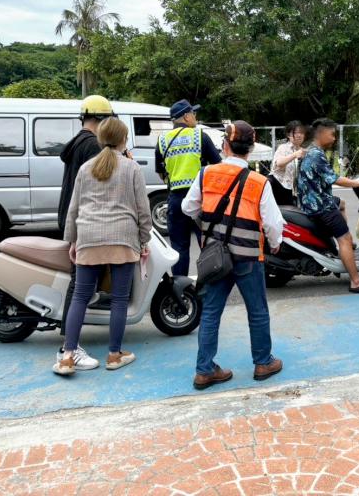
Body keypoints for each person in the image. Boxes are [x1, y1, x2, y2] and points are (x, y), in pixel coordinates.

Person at [181, 121, 285, 389]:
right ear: (250, 149)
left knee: (211, 311)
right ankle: (263, 362)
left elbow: (188, 207)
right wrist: (275, 243)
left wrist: (207, 224)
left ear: (225, 146)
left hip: (216, 257)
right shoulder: (259, 182)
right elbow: (273, 224)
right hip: (249, 256)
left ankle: (204, 370)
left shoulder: (206, 174)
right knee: (257, 311)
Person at [55, 117, 153, 376]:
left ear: (100, 139)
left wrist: (73, 241)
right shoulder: (131, 168)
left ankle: (67, 356)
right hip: (122, 238)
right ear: (124, 140)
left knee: (80, 296)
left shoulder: (85, 168)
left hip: (88, 237)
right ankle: (114, 354)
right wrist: (145, 240)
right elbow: (143, 210)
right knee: (120, 299)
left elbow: (74, 208)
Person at [56, 94, 115, 371]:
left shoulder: (78, 142)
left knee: (80, 284)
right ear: (101, 120)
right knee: (79, 285)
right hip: (83, 220)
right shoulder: (91, 145)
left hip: (71, 215)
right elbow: (100, 185)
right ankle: (68, 347)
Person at [297, 118, 359, 294]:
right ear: (321, 133)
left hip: (313, 201)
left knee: (341, 203)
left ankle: (348, 246)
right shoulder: (316, 155)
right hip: (320, 206)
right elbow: (335, 179)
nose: (334, 138)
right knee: (343, 239)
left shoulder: (312, 151)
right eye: (332, 134)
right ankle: (356, 282)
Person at [155, 99, 221, 276]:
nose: (195, 116)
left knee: (179, 246)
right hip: (201, 200)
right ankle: (208, 285)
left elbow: (161, 173)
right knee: (206, 244)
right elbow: (217, 166)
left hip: (176, 200)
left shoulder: (162, 140)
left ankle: (180, 290)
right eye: (193, 113)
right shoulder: (200, 137)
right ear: (185, 116)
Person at [269, 120, 307, 206]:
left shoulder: (304, 151)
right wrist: (294, 155)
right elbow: (278, 163)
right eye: (296, 132)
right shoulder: (283, 148)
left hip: (292, 191)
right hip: (278, 186)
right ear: (288, 135)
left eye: (301, 132)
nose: (299, 135)